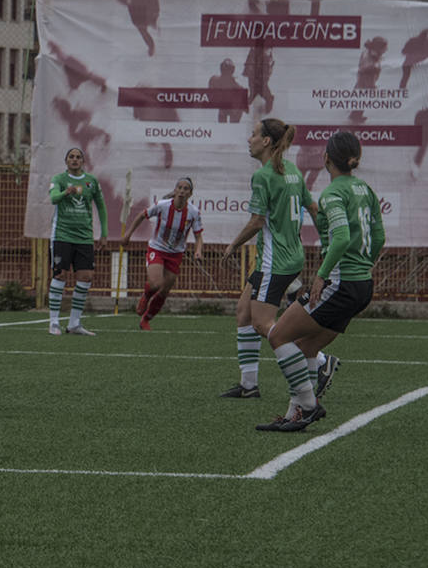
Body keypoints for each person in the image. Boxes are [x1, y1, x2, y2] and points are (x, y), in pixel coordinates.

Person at [256, 131, 384, 432]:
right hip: (362, 284)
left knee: (277, 337)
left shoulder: (333, 193)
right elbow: (378, 237)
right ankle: (295, 412)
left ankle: (309, 406)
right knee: (305, 345)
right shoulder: (365, 189)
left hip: (340, 284)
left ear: (326, 158)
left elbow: (340, 237)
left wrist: (322, 276)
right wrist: (363, 265)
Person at [218, 118, 330, 399]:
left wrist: (233, 244)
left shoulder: (264, 175)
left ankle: (320, 362)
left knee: (264, 324)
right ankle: (248, 385)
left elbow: (257, 222)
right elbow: (313, 207)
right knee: (244, 313)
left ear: (267, 141)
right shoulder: (292, 170)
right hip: (289, 257)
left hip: (275, 261)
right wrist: (326, 241)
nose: (249, 139)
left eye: (253, 135)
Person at [119, 176, 203, 330]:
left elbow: (198, 236)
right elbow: (141, 216)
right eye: (179, 188)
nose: (182, 191)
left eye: (186, 189)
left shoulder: (193, 212)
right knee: (156, 284)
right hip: (157, 248)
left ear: (190, 194)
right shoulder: (163, 205)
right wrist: (128, 234)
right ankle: (146, 296)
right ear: (175, 190)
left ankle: (146, 319)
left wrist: (198, 251)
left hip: (176, 254)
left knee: (164, 290)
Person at [45, 146, 108, 336]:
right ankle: (54, 322)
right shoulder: (59, 180)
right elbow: (53, 199)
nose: (74, 160)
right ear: (66, 161)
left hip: (84, 237)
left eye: (78, 157)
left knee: (86, 277)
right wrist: (65, 192)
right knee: (60, 275)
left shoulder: (92, 181)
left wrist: (104, 233)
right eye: (71, 156)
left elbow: (102, 208)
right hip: (62, 235)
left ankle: (74, 323)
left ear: (83, 161)